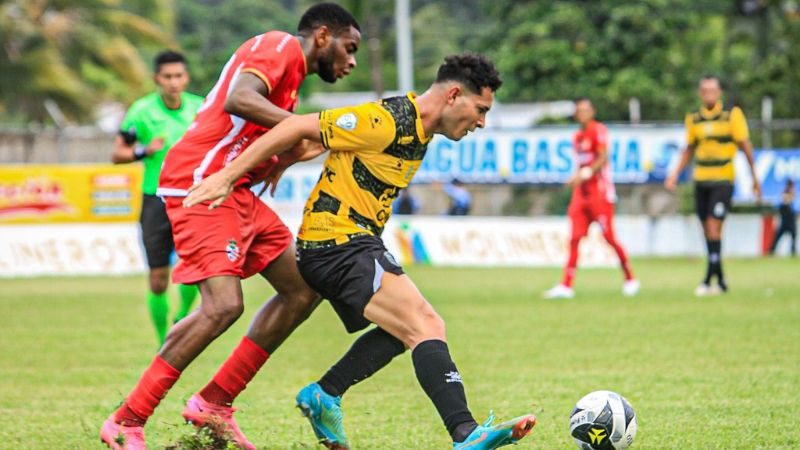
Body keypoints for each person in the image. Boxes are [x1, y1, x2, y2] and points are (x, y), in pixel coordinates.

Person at [184, 53, 536, 450]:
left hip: (350, 244)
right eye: (481, 109)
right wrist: (226, 178)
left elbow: (319, 139)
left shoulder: (418, 129)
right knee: (426, 324)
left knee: (400, 330)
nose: (482, 123)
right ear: (454, 94)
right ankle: (466, 432)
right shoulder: (386, 119)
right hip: (335, 243)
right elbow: (300, 125)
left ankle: (325, 393)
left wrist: (285, 160)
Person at [100, 4, 361, 449]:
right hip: (200, 184)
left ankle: (214, 403)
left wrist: (291, 152)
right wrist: (305, 130)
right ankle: (127, 420)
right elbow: (237, 100)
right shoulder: (277, 45)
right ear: (322, 36)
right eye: (349, 48)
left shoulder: (292, 86)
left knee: (302, 287)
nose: (351, 61)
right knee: (222, 306)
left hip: (237, 192)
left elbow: (264, 138)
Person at [112, 50, 202, 346]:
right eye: (167, 77)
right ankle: (165, 341)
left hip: (191, 200)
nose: (173, 82)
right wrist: (143, 151)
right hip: (155, 201)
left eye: (178, 76)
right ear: (157, 79)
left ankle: (181, 320)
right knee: (158, 279)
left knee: (194, 271)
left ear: (186, 78)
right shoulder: (141, 110)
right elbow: (118, 154)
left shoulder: (200, 109)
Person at [665, 75, 760, 296]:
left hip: (723, 179)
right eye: (705, 90)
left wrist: (755, 178)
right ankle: (721, 278)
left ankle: (708, 278)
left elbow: (745, 146)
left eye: (713, 90)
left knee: (714, 225)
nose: (709, 94)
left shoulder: (732, 115)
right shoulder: (694, 118)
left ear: (719, 92)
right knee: (707, 230)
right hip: (701, 179)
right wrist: (674, 174)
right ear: (700, 93)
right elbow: (688, 149)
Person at [543, 98, 640, 299]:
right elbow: (581, 164)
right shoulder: (577, 137)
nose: (583, 114)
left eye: (586, 110)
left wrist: (585, 173)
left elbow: (603, 157)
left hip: (600, 193)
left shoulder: (598, 130)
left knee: (609, 238)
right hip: (582, 194)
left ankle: (630, 278)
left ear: (592, 112)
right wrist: (577, 177)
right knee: (575, 239)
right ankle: (566, 285)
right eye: (579, 111)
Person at [770, 179, 796, 256]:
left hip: (791, 220)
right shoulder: (785, 192)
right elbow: (783, 201)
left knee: (793, 237)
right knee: (777, 237)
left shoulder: (792, 192)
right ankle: (771, 251)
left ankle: (793, 252)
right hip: (785, 220)